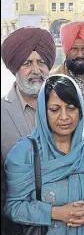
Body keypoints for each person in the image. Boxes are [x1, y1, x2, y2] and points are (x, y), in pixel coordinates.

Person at [4, 75, 84, 235]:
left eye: (71, 108)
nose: (64, 117)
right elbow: (12, 206)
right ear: (43, 111)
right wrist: (56, 213)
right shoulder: (25, 152)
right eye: (55, 109)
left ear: (81, 109)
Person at [1, 27, 56, 159]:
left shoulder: (69, 106)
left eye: (41, 62)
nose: (36, 70)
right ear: (15, 68)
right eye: (27, 63)